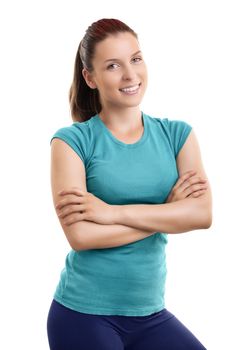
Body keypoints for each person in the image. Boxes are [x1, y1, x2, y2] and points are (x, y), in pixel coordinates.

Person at [47, 18, 212, 350]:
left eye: (136, 59)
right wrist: (167, 212)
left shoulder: (178, 135)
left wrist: (111, 213)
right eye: (113, 65)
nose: (130, 75)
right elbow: (80, 236)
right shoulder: (70, 142)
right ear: (90, 78)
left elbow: (201, 215)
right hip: (83, 315)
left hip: (151, 314)